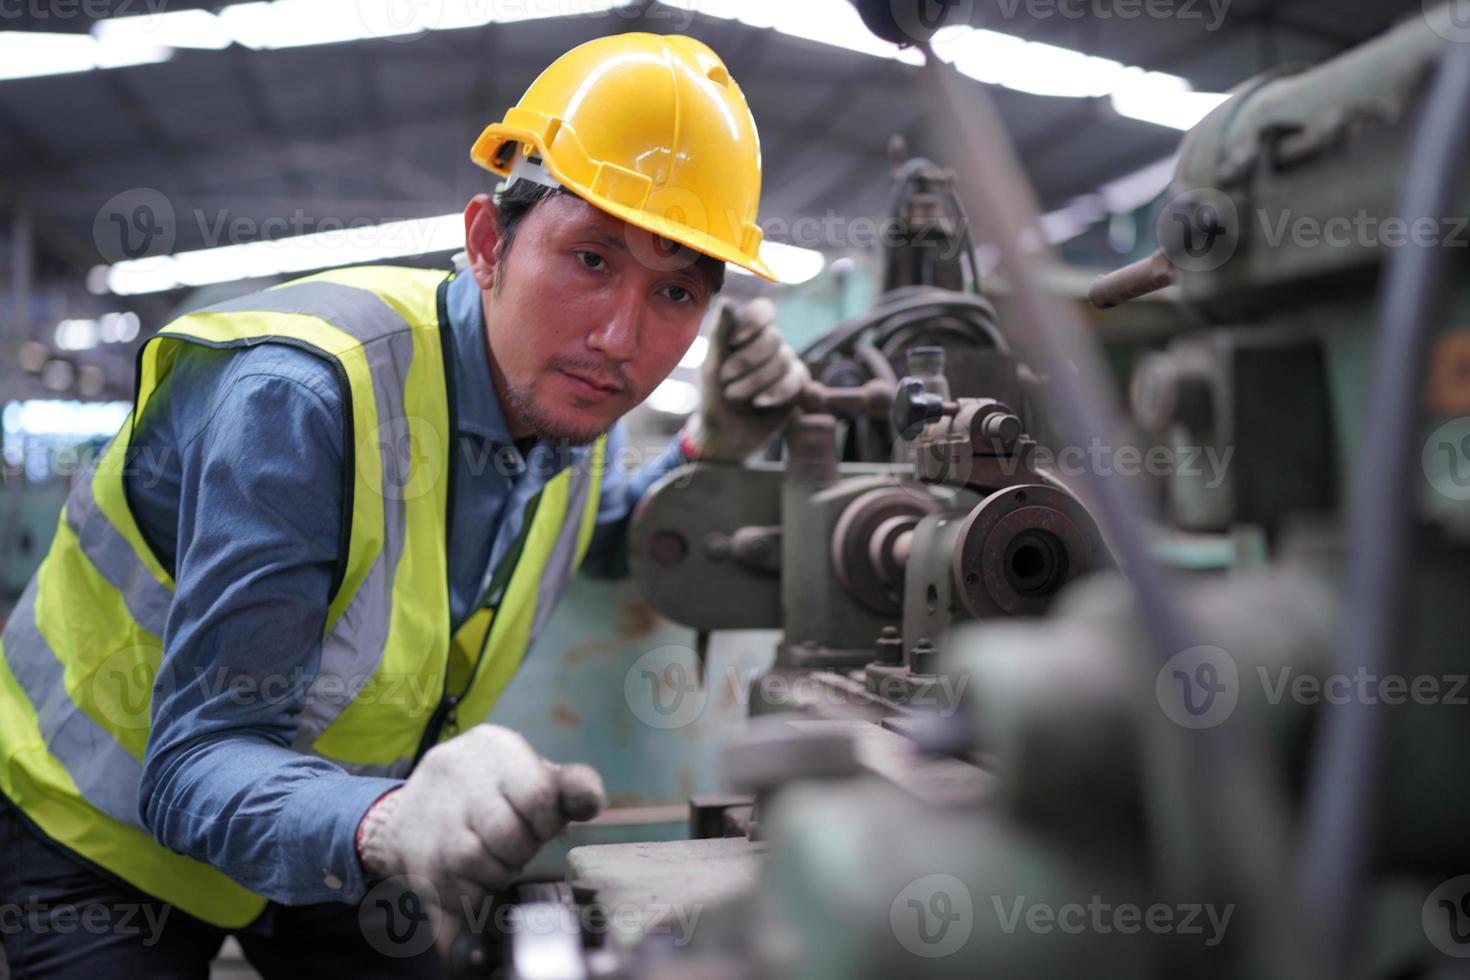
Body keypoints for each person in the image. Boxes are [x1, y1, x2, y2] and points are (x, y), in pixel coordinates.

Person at [0, 32, 805, 978]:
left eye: (675, 290)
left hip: (333, 826)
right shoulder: (304, 400)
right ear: (485, 245)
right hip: (106, 834)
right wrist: (392, 819)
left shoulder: (563, 412)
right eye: (590, 259)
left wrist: (717, 447)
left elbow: (601, 530)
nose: (621, 338)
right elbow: (193, 766)